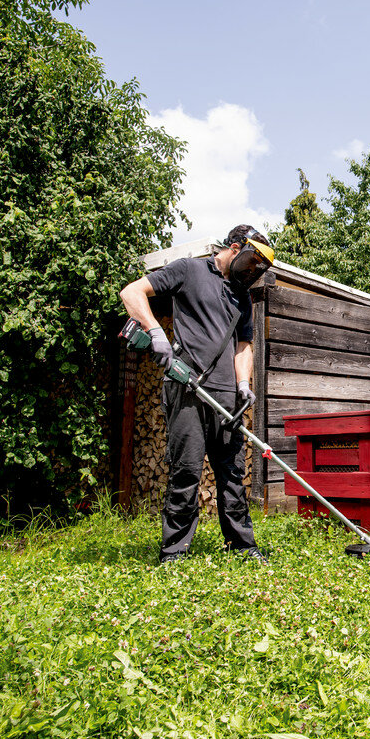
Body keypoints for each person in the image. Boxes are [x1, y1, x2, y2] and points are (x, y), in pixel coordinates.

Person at [119, 225, 275, 564]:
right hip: (186, 387)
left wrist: (244, 384)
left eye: (259, 269)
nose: (252, 272)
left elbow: (244, 345)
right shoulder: (188, 269)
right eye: (251, 262)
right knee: (186, 472)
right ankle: (174, 552)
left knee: (232, 474)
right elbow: (132, 292)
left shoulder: (241, 297)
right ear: (235, 248)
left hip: (226, 398)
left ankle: (243, 547)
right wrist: (156, 333)